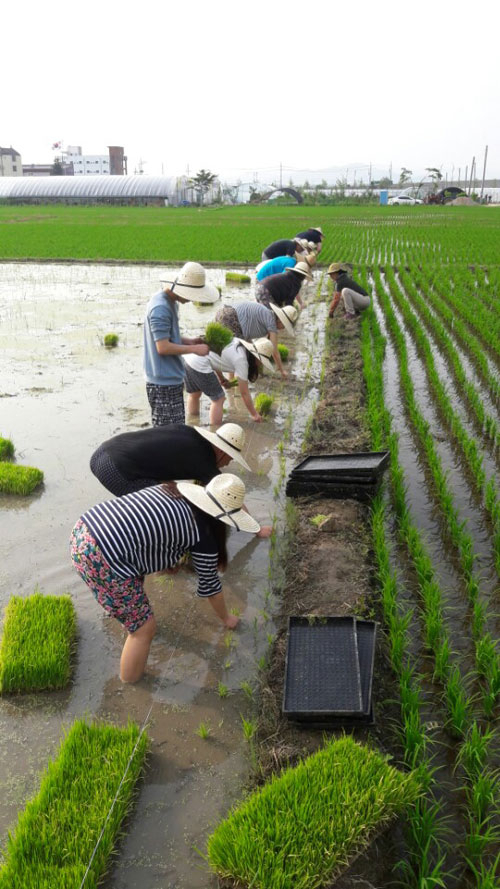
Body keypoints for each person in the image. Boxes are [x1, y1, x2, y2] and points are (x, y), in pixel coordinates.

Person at [70, 474, 268, 683]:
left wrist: (172, 563)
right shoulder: (204, 535)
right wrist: (227, 618)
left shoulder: (176, 491)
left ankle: (123, 612)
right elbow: (211, 587)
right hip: (102, 555)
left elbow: (148, 533)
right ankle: (131, 685)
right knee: (143, 629)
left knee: (129, 591)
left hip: (84, 529)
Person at [143, 262, 219, 426]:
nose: (191, 299)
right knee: (167, 436)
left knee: (176, 432)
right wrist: (194, 349)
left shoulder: (171, 302)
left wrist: (190, 341)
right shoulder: (160, 308)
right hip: (162, 383)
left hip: (172, 379)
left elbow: (169, 337)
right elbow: (162, 347)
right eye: (191, 294)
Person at [90, 422, 251, 496]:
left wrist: (171, 484)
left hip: (102, 452)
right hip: (114, 470)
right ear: (222, 451)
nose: (228, 463)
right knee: (167, 508)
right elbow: (231, 499)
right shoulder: (204, 461)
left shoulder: (190, 433)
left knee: (172, 492)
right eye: (230, 458)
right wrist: (257, 530)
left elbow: (161, 458)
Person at [184, 336, 276, 424]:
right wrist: (254, 414)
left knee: (194, 394)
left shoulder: (237, 342)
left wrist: (222, 378)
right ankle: (214, 430)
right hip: (199, 363)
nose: (261, 364)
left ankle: (193, 423)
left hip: (189, 358)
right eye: (262, 360)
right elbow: (244, 392)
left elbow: (215, 358)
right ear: (256, 356)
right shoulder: (242, 360)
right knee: (218, 399)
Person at [215, 300, 298, 379]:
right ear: (280, 321)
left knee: (236, 351)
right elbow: (274, 351)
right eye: (284, 326)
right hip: (231, 318)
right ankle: (233, 382)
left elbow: (248, 338)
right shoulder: (271, 323)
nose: (283, 329)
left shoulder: (267, 314)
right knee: (238, 353)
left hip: (222, 313)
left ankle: (232, 380)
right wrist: (282, 370)